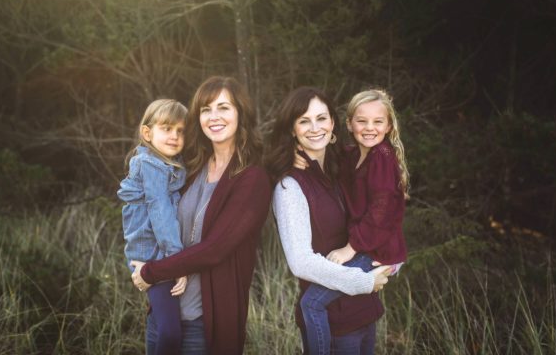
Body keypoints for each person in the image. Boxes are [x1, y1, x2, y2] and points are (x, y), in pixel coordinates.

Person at [130, 76, 272, 355]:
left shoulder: (252, 179)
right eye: (206, 109)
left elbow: (215, 249)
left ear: (240, 113)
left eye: (223, 108)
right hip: (164, 313)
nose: (214, 117)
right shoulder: (190, 167)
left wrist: (151, 272)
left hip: (204, 323)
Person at [266, 86, 392, 355]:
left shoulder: (344, 169)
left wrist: (393, 261)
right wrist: (364, 281)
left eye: (321, 118)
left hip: (365, 313)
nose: (314, 128)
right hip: (333, 325)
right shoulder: (290, 186)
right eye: (304, 121)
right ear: (292, 130)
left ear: (333, 123)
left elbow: (381, 214)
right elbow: (301, 261)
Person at [294, 88, 409, 355]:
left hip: (373, 249)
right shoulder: (353, 154)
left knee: (311, 304)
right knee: (313, 303)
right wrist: (295, 151)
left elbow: (380, 211)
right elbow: (322, 153)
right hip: (368, 246)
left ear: (389, 125)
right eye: (362, 120)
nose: (369, 128)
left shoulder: (381, 156)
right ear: (348, 123)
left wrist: (350, 249)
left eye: (378, 122)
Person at [117, 99, 189, 355]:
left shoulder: (166, 163)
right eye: (167, 128)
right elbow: (160, 213)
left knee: (163, 324)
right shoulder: (151, 165)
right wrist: (177, 261)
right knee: (170, 332)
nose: (174, 136)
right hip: (153, 257)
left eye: (180, 131)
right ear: (147, 133)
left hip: (155, 254)